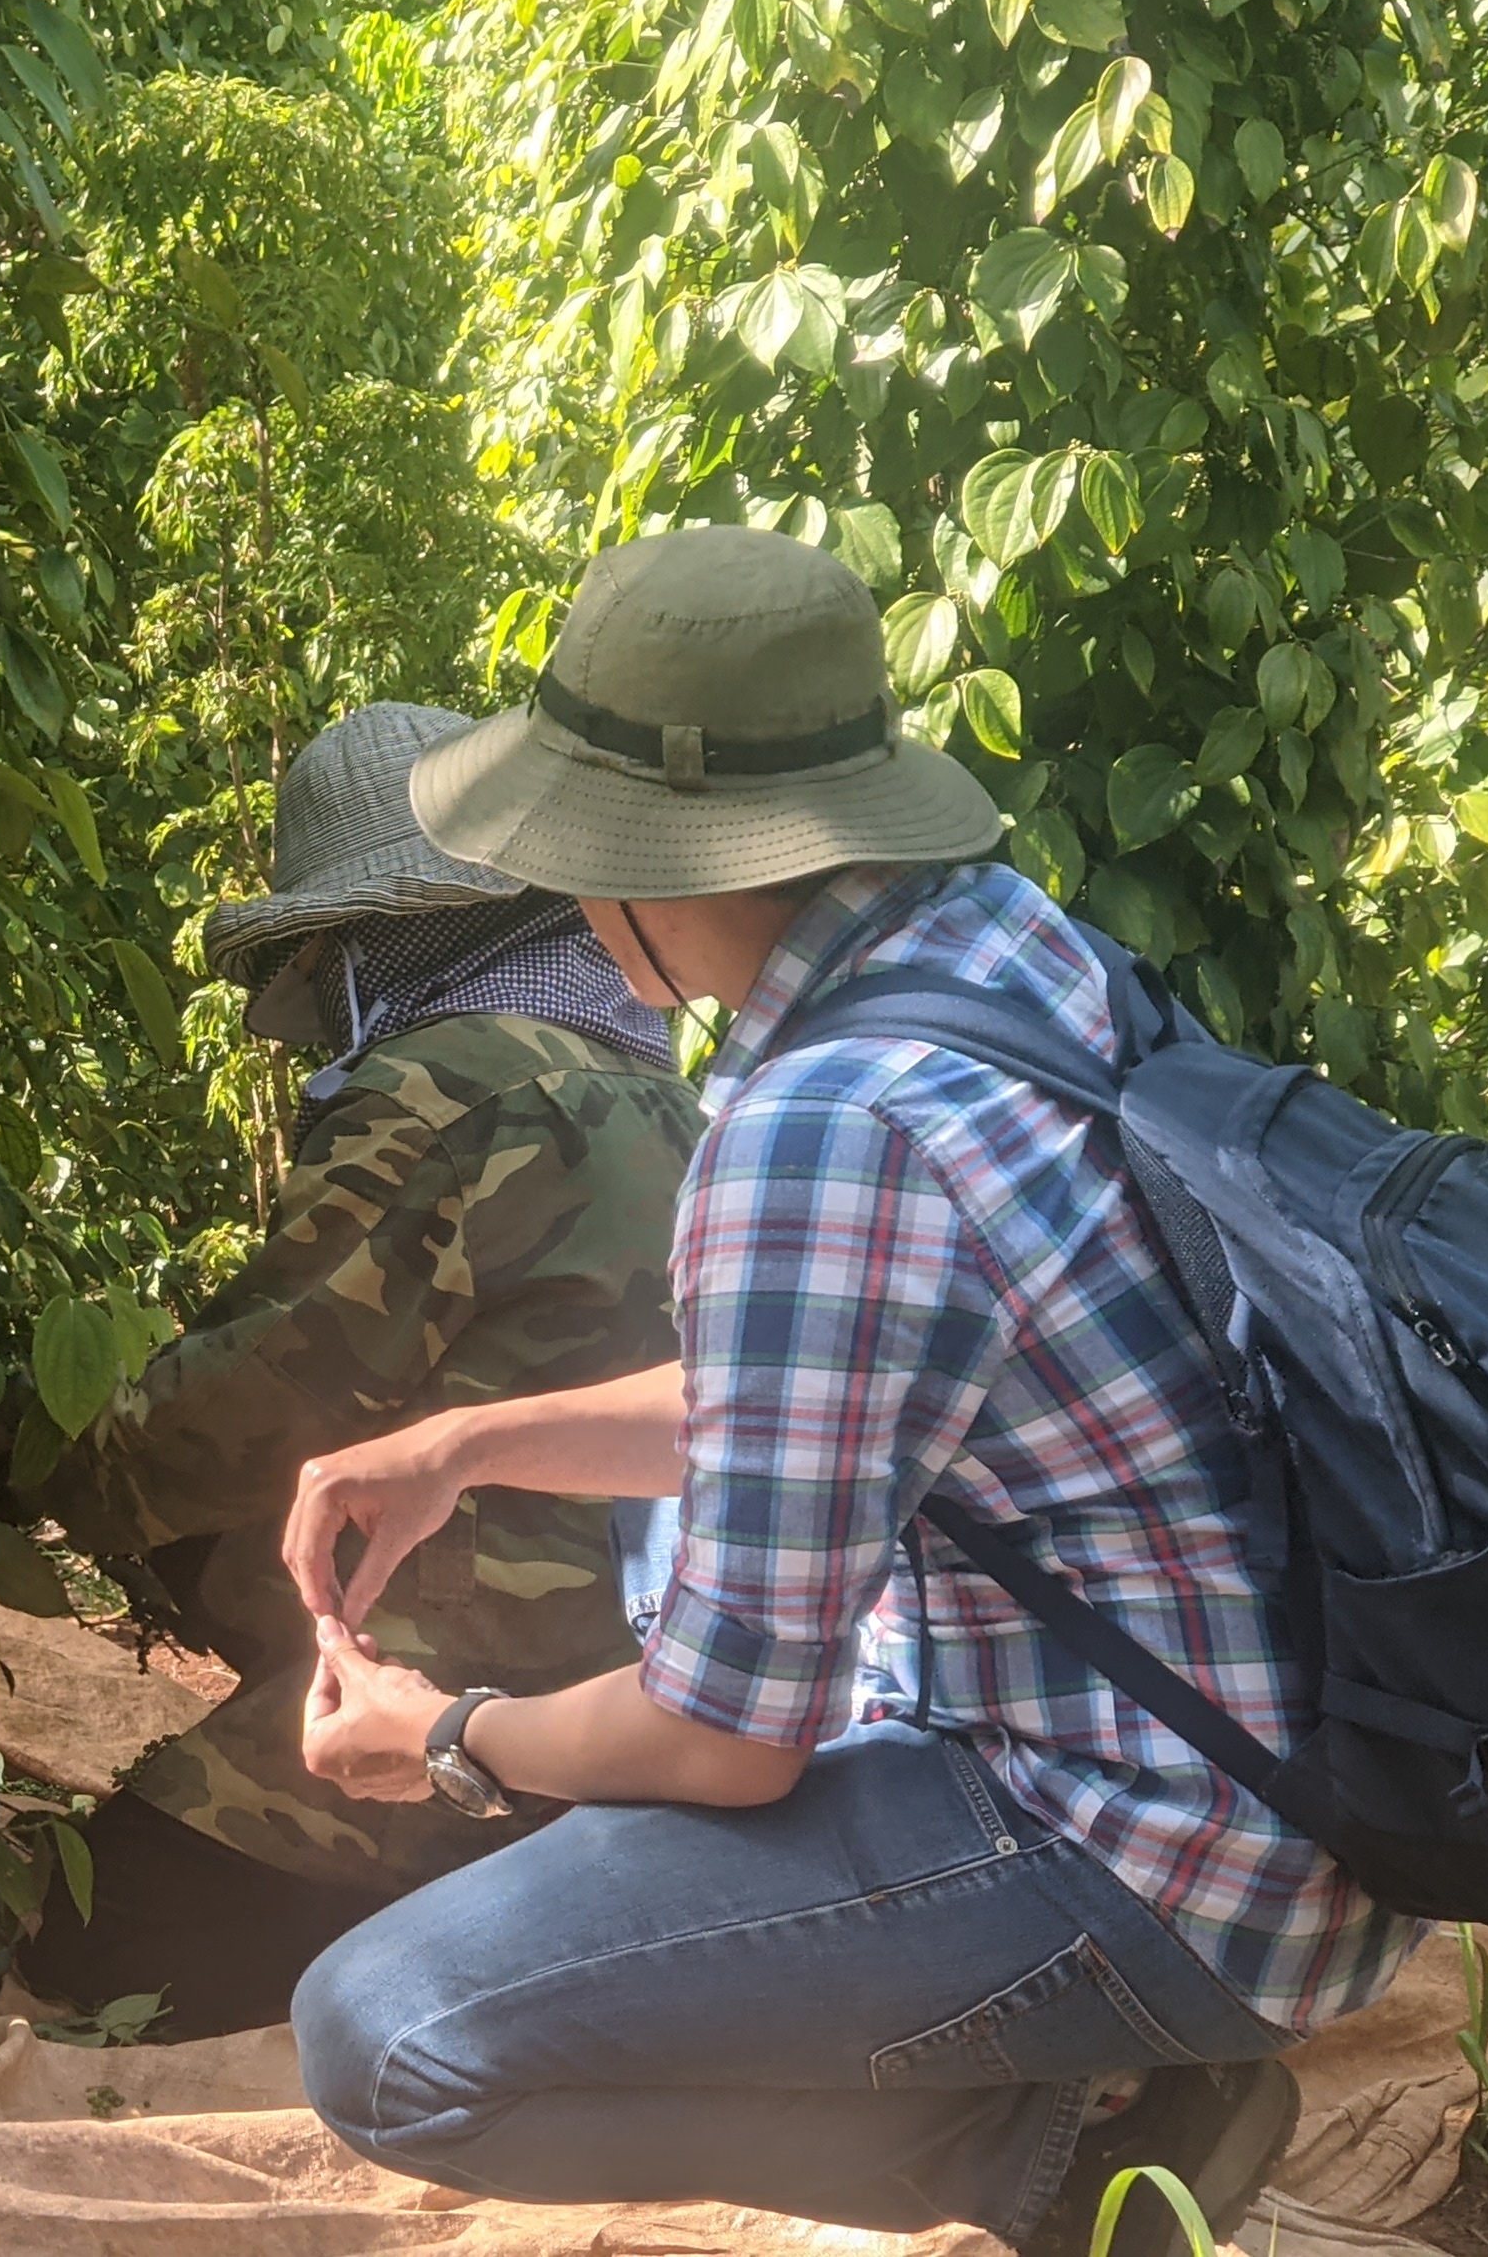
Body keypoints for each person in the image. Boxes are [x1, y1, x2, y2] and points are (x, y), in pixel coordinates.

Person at [274, 528, 1420, 2257]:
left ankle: (1053, 2151)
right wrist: (472, 1443)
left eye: (585, 852)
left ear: (673, 857)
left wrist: (445, 1741)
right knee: (677, 1554)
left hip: (1160, 1863)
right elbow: (816, 1395)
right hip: (1303, 1803)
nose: (575, 903)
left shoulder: (821, 1128)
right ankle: (1104, 2074)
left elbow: (727, 1740)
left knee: (387, 2042)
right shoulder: (1014, 955)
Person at [4, 700, 706, 2040]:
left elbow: (266, 1399)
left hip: (446, 1712)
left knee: (102, 1954)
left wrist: (21, 1448)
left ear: (391, 932)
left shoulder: (450, 1081)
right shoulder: (668, 1100)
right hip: (636, 1717)